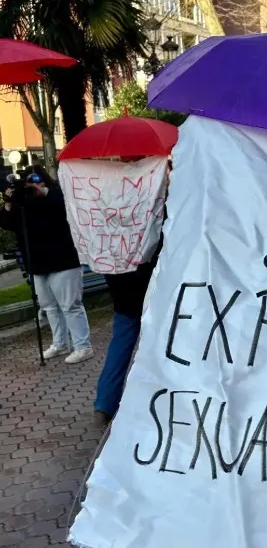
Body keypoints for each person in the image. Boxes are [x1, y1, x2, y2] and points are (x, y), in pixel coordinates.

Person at [94, 156, 167, 427]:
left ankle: (104, 403)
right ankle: (155, 401)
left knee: (120, 346)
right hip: (153, 293)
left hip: (122, 291)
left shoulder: (106, 211)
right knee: (159, 348)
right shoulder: (156, 206)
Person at [0, 165, 93, 363]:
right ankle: (60, 343)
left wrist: (44, 192)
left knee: (70, 305)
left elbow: (64, 207)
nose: (34, 186)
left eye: (37, 181)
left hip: (64, 260)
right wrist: (8, 202)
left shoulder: (58, 194)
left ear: (45, 180)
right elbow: (7, 223)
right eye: (29, 182)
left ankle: (83, 346)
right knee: (49, 306)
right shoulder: (23, 202)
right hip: (37, 262)